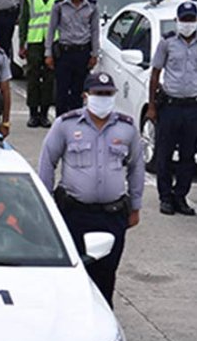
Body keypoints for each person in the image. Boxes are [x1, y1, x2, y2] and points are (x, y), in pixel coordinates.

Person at [38, 72, 144, 307]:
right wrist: (46, 207)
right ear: (86, 96)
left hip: (112, 215)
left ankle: (103, 317)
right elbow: (47, 162)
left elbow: (137, 167)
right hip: (75, 213)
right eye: (98, 93)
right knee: (74, 271)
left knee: (107, 273)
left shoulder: (126, 128)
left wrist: (135, 205)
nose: (103, 98)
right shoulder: (66, 124)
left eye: (108, 94)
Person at [147, 0, 197, 215]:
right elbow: (155, 74)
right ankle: (165, 197)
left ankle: (181, 197)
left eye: (191, 19)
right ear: (178, 21)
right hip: (170, 105)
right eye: (184, 19)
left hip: (192, 107)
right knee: (164, 154)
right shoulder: (167, 42)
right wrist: (151, 106)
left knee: (188, 155)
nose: (187, 23)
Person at [46, 0, 100, 115]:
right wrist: (48, 53)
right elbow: (51, 30)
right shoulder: (59, 6)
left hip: (82, 53)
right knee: (62, 92)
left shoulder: (92, 7)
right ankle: (60, 123)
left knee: (78, 92)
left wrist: (95, 54)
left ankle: (76, 124)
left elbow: (95, 31)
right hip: (64, 53)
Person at [20, 0, 61, 127]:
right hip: (34, 41)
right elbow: (24, 19)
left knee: (49, 79)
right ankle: (33, 114)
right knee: (33, 78)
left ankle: (44, 114)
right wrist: (22, 43)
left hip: (54, 41)